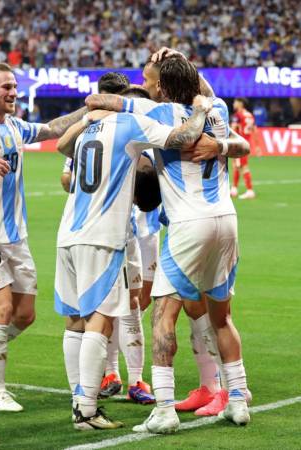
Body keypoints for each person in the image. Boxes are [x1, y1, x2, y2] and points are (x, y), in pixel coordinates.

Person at [86, 54, 252, 432]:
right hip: (226, 220)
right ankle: (238, 400)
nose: (146, 85)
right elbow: (216, 111)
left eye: (150, 80)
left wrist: (121, 103)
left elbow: (98, 100)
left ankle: (163, 409)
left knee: (163, 316)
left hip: (188, 224)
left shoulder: (155, 111)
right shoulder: (217, 109)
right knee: (221, 315)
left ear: (161, 86)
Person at [55, 89, 213, 430]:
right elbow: (182, 137)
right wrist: (200, 111)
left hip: (67, 233)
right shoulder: (131, 123)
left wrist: (85, 119)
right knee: (101, 320)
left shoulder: (89, 127)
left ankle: (77, 399)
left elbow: (61, 147)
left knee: (74, 322)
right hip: (103, 235)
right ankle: (86, 409)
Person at [0, 62, 90, 412]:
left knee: (25, 315)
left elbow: (53, 128)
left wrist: (92, 107)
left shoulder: (15, 126)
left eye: (14, 87)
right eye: (6, 87)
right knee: (2, 308)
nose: (13, 92)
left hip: (15, 236)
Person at [230, 97, 256, 199]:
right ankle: (234, 189)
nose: (233, 104)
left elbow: (233, 129)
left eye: (235, 102)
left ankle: (249, 190)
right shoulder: (249, 115)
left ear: (240, 103)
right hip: (246, 143)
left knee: (243, 167)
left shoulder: (238, 115)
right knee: (236, 165)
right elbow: (254, 129)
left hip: (239, 143)